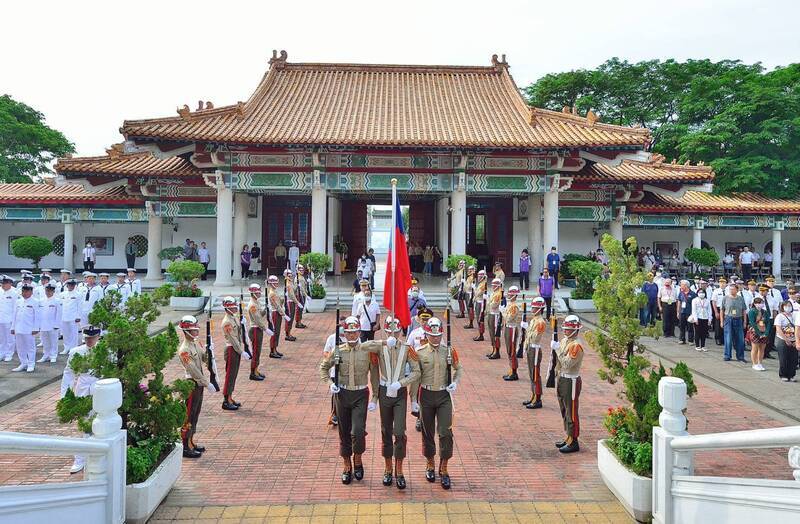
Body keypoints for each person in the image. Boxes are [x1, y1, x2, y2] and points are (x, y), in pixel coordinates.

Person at [319, 315, 381, 485]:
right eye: (348, 332)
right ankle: (347, 464)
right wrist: (330, 383)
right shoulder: (338, 350)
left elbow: (374, 374)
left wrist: (375, 397)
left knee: (358, 431)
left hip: (360, 394)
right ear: (344, 333)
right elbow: (324, 367)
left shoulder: (368, 350)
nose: (352, 335)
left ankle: (358, 458)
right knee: (344, 431)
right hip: (342, 394)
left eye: (355, 332)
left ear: (360, 332)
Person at [366, 316, 420, 490]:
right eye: (389, 331)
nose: (393, 334)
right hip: (384, 391)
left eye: (395, 332)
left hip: (399, 391)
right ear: (386, 331)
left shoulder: (407, 348)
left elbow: (416, 371)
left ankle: (399, 469)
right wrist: (383, 342)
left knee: (399, 431)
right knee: (386, 430)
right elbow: (362, 346)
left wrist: (402, 383)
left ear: (399, 332)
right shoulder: (380, 346)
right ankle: (388, 468)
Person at [416, 316, 463, 489]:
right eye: (432, 335)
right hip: (426, 394)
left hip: (444, 395)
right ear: (427, 334)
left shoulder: (448, 351)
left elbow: (458, 368)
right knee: (427, 432)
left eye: (438, 335)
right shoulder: (420, 352)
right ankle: (430, 463)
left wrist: (455, 382)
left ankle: (444, 467)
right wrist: (413, 399)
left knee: (445, 432)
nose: (435, 338)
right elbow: (415, 376)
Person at [60, 325, 102, 473]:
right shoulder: (76, 352)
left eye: (92, 338)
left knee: (101, 424)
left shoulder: (107, 351)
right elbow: (68, 374)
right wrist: (65, 396)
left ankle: (97, 456)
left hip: (101, 390)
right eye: (87, 338)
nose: (89, 341)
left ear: (98, 336)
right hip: (83, 390)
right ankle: (81, 458)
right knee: (85, 425)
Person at [177, 315, 213, 458]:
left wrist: (209, 352)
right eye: (193, 330)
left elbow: (204, 358)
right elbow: (193, 370)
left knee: (195, 414)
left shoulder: (195, 343)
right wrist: (206, 383)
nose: (197, 331)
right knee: (189, 415)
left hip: (198, 383)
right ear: (186, 332)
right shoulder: (184, 350)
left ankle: (191, 441)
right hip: (191, 383)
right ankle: (185, 445)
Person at [555, 315, 584, 454]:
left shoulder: (576, 346)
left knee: (571, 411)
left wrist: (557, 350)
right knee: (564, 409)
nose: (565, 330)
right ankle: (568, 436)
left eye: (568, 329)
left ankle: (574, 441)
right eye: (565, 328)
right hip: (562, 378)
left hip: (571, 381)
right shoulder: (565, 341)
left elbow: (567, 363)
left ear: (575, 330)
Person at [220, 296, 243, 410]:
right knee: (230, 375)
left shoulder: (233, 317)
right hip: (231, 349)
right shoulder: (227, 322)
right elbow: (233, 339)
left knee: (233, 375)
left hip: (235, 348)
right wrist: (241, 351)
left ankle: (230, 397)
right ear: (228, 308)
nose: (236, 308)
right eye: (233, 307)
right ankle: (226, 400)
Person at [11, 282, 40, 373]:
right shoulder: (18, 301)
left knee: (30, 347)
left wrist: (36, 328)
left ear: (31, 292)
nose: (25, 293)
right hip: (18, 328)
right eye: (23, 291)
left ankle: (31, 364)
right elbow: (14, 315)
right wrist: (13, 327)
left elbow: (37, 316)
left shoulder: (35, 302)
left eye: (27, 291)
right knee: (20, 347)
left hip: (29, 329)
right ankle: (23, 363)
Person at [245, 283, 270, 381]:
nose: (260, 294)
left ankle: (256, 370)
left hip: (258, 329)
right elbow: (257, 319)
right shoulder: (252, 305)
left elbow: (260, 315)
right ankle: (253, 372)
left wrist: (265, 310)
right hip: (255, 329)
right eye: (258, 292)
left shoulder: (256, 302)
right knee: (256, 352)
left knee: (258, 351)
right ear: (253, 293)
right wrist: (265, 328)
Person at [500, 286, 522, 381]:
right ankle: (511, 370)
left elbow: (509, 318)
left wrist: (503, 312)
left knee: (512, 351)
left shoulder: (514, 306)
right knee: (509, 350)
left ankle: (514, 372)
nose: (508, 295)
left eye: (510, 293)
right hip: (508, 328)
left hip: (512, 329)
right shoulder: (510, 304)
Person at [721, 283, 747, 362]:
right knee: (728, 338)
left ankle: (740, 356)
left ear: (737, 290)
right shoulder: (725, 298)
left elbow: (744, 310)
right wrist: (721, 321)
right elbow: (722, 310)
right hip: (728, 319)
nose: (731, 291)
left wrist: (745, 321)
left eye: (733, 289)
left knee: (740, 339)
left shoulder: (740, 298)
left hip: (738, 319)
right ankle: (727, 355)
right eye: (730, 289)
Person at [36, 283, 60, 363]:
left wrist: (57, 324)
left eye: (50, 291)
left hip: (52, 325)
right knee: (45, 341)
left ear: (53, 291)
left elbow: (59, 314)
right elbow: (39, 313)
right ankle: (46, 355)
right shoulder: (41, 301)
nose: (48, 292)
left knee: (53, 341)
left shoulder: (57, 301)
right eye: (47, 290)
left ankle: (53, 355)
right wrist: (38, 324)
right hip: (43, 324)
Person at [267, 275, 290, 358]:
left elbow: (280, 302)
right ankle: (272, 351)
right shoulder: (272, 293)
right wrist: (284, 314)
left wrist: (284, 296)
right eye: (275, 283)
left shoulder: (275, 291)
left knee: (277, 332)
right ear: (271, 284)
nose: (277, 284)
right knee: (274, 332)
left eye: (277, 283)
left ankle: (275, 349)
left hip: (278, 313)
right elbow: (277, 306)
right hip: (275, 313)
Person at [775, 301, 798, 382]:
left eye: (789, 306)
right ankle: (783, 374)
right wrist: (786, 339)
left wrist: (796, 340)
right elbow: (778, 329)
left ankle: (791, 375)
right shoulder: (780, 316)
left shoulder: (794, 316)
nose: (788, 307)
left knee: (794, 359)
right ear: (783, 307)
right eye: (786, 306)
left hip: (794, 339)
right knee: (784, 358)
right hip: (782, 339)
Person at [747, 296, 770, 371]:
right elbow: (752, 323)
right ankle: (754, 363)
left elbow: (768, 322)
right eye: (758, 303)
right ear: (755, 304)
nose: (760, 304)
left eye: (762, 303)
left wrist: (766, 332)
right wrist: (759, 334)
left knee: (762, 349)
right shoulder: (752, 311)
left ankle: (760, 363)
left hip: (763, 330)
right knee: (755, 348)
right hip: (755, 331)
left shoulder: (765, 312)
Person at [59, 279, 81, 355]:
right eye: (69, 285)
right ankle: (66, 348)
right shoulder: (62, 294)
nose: (71, 286)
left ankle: (73, 349)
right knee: (65, 334)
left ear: (75, 285)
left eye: (72, 285)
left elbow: (80, 306)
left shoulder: (78, 294)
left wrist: (78, 316)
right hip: (64, 316)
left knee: (73, 334)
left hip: (73, 317)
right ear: (67, 285)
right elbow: (60, 306)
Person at [0, 275, 18, 362]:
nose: (3, 285)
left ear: (10, 283)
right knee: (2, 338)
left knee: (10, 338)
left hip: (9, 319)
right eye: (2, 283)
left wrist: (14, 321)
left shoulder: (14, 293)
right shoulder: (0, 291)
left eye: (5, 283)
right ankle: (2, 353)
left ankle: (9, 354)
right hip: (1, 319)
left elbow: (15, 308)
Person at [486, 278, 504, 359]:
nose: (492, 287)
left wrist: (488, 301)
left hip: (495, 315)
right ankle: (494, 350)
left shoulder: (498, 294)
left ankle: (497, 352)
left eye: (494, 285)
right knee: (491, 333)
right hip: (491, 314)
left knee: (496, 334)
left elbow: (493, 305)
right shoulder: (494, 293)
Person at [691, 286, 712, 352]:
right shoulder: (694, 300)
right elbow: (694, 310)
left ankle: (703, 345)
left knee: (704, 332)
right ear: (697, 293)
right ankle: (697, 345)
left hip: (705, 318)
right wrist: (695, 319)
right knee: (697, 332)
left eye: (703, 292)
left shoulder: (707, 301)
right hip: (698, 318)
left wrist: (709, 319)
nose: (701, 294)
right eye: (700, 292)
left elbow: (709, 310)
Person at [677, 280, 696, 345]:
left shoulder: (693, 294)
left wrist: (693, 313)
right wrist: (678, 312)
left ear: (686, 286)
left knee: (690, 327)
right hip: (682, 312)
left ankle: (690, 340)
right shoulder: (681, 293)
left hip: (689, 312)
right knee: (681, 326)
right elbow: (679, 302)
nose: (681, 286)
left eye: (682, 285)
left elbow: (695, 304)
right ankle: (682, 339)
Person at [282, 268, 298, 342]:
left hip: (292, 302)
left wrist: (297, 283)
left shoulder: (290, 282)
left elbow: (294, 290)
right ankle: (287, 334)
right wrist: (297, 302)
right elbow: (291, 295)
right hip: (289, 302)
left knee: (291, 319)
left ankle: (289, 332)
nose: (291, 276)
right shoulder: (288, 284)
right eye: (289, 275)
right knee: (289, 319)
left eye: (291, 275)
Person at [472, 270, 488, 342]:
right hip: (478, 302)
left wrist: (474, 288)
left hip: (481, 303)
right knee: (478, 318)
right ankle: (480, 333)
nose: (478, 278)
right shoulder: (481, 284)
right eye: (478, 276)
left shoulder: (483, 285)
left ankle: (481, 334)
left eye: (480, 276)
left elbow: (478, 293)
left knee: (480, 319)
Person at [295, 264, 309, 329]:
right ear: (297, 271)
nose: (302, 271)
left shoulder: (301, 277)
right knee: (299, 309)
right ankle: (298, 323)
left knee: (301, 309)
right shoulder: (298, 278)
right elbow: (301, 289)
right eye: (300, 270)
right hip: (300, 295)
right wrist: (306, 295)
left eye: (302, 270)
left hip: (302, 295)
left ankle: (299, 322)